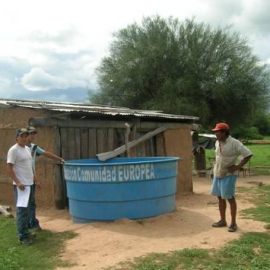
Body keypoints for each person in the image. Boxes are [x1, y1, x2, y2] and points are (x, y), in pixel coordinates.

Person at [211, 123, 252, 232]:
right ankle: (223, 220)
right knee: (219, 197)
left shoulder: (235, 143)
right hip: (218, 173)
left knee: (230, 198)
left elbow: (248, 154)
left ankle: (233, 223)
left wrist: (237, 166)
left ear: (224, 132)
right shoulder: (217, 142)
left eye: (217, 132)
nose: (216, 134)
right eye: (215, 132)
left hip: (228, 174)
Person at [26, 126, 65, 231]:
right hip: (23, 178)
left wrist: (59, 158)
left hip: (31, 178)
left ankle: (31, 222)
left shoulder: (34, 147)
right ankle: (28, 224)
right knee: (25, 203)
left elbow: (45, 153)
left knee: (31, 202)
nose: (33, 136)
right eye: (30, 133)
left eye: (34, 133)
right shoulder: (21, 148)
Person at [7, 128, 36, 245]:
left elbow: (29, 166)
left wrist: (34, 179)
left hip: (30, 184)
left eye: (26, 136)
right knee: (22, 210)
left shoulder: (27, 149)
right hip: (21, 186)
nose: (24, 138)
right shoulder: (13, 150)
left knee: (28, 209)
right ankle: (22, 236)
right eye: (22, 136)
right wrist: (18, 182)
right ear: (17, 138)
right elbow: (9, 169)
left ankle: (26, 232)